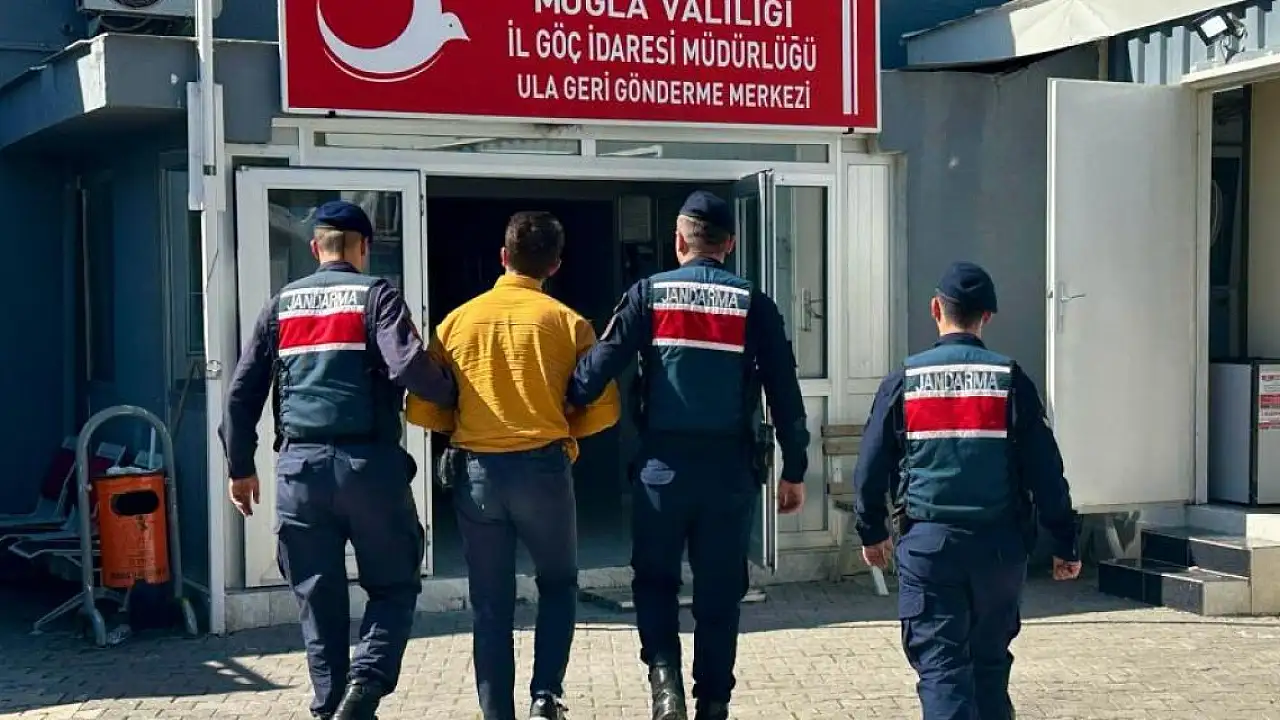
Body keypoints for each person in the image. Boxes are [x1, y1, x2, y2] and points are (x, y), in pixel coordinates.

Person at [566, 191, 809, 720]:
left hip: (662, 470)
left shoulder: (648, 295)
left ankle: (665, 687)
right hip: (729, 474)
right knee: (720, 592)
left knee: (655, 583)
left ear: (679, 241)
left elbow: (595, 372)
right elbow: (785, 393)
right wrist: (794, 468)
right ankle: (713, 703)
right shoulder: (754, 303)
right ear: (731, 244)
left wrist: (559, 401)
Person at [219, 200, 456, 720]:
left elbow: (240, 394)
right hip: (368, 469)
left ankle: (330, 707)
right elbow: (408, 367)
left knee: (317, 597)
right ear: (363, 246)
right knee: (394, 585)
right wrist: (452, 394)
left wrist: (240, 467)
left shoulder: (280, 305)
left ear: (315, 247)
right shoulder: (377, 296)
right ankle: (364, 686)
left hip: (299, 473)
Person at [405, 211, 620, 720]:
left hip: (478, 473)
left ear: (503, 257)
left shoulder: (457, 322)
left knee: (490, 603)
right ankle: (546, 695)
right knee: (558, 584)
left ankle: (496, 711)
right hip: (543, 470)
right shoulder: (569, 323)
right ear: (556, 265)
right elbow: (604, 407)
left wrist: (465, 424)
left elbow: (425, 408)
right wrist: (564, 431)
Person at [852, 261, 1082, 720]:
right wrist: (1065, 541)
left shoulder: (905, 380)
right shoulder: (1011, 379)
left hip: (929, 549)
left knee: (943, 672)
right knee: (989, 669)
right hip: (999, 551)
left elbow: (871, 467)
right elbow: (1045, 470)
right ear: (987, 317)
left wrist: (871, 532)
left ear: (935, 309)